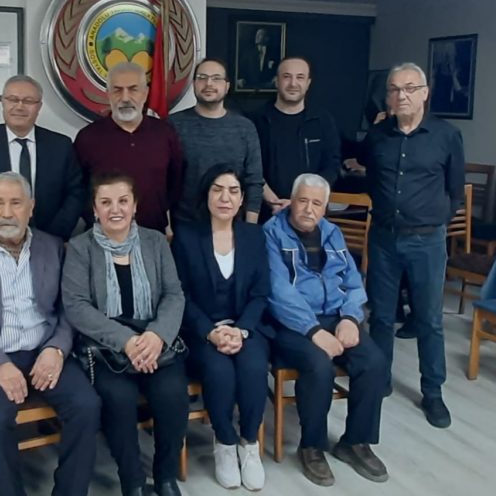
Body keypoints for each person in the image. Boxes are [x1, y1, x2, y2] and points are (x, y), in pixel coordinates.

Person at [0, 172, 101, 496]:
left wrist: (56, 350)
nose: (7, 213)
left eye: (16, 203)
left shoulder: (54, 247)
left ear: (31, 207)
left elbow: (70, 308)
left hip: (44, 350)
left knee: (87, 406)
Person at [61, 173, 188, 496]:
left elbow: (174, 295)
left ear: (134, 206)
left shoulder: (155, 242)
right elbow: (76, 306)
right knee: (119, 399)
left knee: (172, 394)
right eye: (105, 202)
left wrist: (156, 336)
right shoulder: (79, 248)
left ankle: (166, 476)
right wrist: (127, 341)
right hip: (106, 348)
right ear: (94, 209)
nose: (114, 209)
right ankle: (132, 481)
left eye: (122, 201)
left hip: (154, 342)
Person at [264, 174, 389, 486]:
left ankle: (355, 442)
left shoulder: (332, 233)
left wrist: (350, 317)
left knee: (374, 362)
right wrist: (313, 331)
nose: (309, 209)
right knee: (319, 366)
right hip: (290, 323)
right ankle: (312, 446)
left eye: (317, 203)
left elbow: (353, 281)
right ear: (292, 201)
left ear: (325, 208)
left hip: (335, 316)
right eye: (303, 201)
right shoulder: (271, 233)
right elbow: (277, 292)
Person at [362, 62, 465, 428]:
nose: (401, 95)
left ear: (424, 93)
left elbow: (455, 190)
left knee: (429, 319)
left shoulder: (446, 135)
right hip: (383, 238)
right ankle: (380, 378)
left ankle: (432, 392)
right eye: (394, 89)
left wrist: (432, 220)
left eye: (409, 88)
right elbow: (372, 179)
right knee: (381, 315)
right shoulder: (377, 136)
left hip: (427, 241)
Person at [171, 165, 271, 491]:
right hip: (202, 331)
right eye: (217, 190)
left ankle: (249, 443)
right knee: (219, 371)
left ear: (242, 199)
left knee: (253, 367)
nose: (225, 198)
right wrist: (211, 332)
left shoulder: (254, 236)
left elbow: (260, 294)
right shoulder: (186, 237)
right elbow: (180, 295)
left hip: (245, 328)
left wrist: (241, 330)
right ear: (206, 196)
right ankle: (225, 443)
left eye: (233, 191)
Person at [0, 75, 85, 239]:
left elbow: (75, 193)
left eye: (28, 101)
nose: (19, 106)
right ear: (3, 102)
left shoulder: (60, 145)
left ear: (39, 106)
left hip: (50, 238)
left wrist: (52, 237)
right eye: (13, 99)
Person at [73, 62, 184, 233]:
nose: (125, 98)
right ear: (108, 93)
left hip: (153, 234)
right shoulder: (87, 138)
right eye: (117, 90)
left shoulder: (164, 134)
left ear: (145, 93)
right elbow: (77, 190)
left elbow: (176, 184)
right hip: (102, 236)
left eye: (133, 89)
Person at [169, 58, 264, 225]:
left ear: (227, 86)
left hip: (233, 226)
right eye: (202, 77)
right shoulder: (173, 125)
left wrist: (250, 228)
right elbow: (165, 180)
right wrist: (168, 226)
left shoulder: (245, 128)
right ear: (194, 84)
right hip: (185, 224)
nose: (209, 83)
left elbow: (254, 181)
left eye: (216, 78)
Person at [247, 57, 340, 221]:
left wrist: (301, 202)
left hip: (309, 216)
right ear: (276, 81)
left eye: (300, 77)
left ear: (308, 83)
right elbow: (249, 166)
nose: (293, 83)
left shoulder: (323, 121)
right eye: (287, 76)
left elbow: (331, 166)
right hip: (266, 214)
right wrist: (272, 201)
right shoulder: (255, 121)